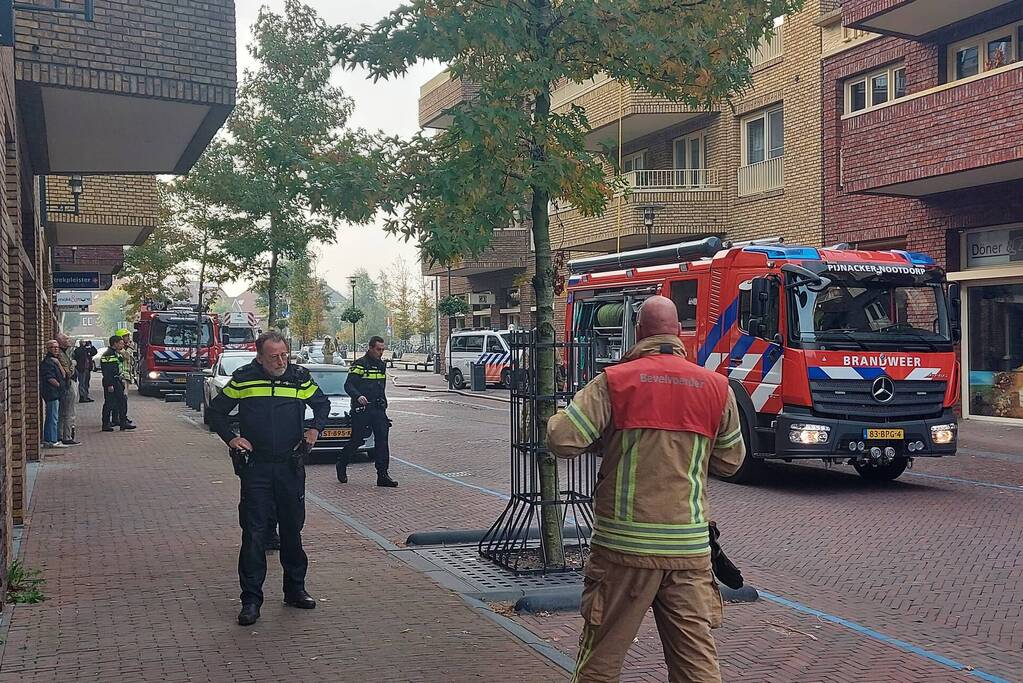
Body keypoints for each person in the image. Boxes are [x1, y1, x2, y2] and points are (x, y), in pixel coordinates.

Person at [547, 296, 746, 683]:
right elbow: (730, 461)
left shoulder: (616, 381)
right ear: (677, 333)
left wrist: (606, 435)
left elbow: (562, 440)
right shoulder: (717, 388)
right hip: (688, 551)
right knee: (696, 665)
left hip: (624, 550)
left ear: (638, 333)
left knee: (600, 660)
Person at [208, 331, 330, 626]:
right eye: (274, 356)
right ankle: (251, 600)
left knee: (292, 530)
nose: (281, 361)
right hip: (257, 467)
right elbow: (217, 412)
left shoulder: (299, 377)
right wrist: (231, 439)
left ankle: (295, 589)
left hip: (290, 465)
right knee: (254, 533)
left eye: (285, 354)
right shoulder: (244, 378)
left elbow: (322, 405)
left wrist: (315, 429)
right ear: (260, 356)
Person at [337, 336, 398, 487]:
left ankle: (382, 475)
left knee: (382, 441)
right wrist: (358, 397)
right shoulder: (360, 364)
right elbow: (348, 385)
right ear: (370, 348)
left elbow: (381, 387)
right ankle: (342, 463)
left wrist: (384, 403)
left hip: (377, 410)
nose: (381, 353)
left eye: (383, 350)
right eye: (378, 349)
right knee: (357, 440)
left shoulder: (381, 365)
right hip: (362, 410)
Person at [40, 340, 73, 449]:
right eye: (53, 347)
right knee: (53, 417)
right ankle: (52, 440)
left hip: (56, 392)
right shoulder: (48, 362)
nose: (55, 349)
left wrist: (58, 363)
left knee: (52, 416)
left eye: (57, 347)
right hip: (51, 393)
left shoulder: (55, 361)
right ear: (48, 349)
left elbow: (63, 374)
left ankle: (49, 439)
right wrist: (59, 385)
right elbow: (49, 378)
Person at [100, 336, 135, 432]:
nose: (122, 345)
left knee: (122, 401)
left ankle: (123, 422)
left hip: (117, 380)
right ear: (114, 343)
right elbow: (107, 371)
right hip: (111, 381)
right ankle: (105, 424)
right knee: (109, 403)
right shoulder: (108, 355)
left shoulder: (116, 353)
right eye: (120, 343)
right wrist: (109, 384)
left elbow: (123, 361)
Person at [55, 333, 80, 446]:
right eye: (66, 338)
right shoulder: (61, 354)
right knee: (68, 411)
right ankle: (67, 436)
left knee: (63, 412)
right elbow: (68, 372)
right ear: (60, 341)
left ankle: (61, 435)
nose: (68, 340)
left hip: (67, 384)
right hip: (68, 385)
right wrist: (73, 365)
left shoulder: (65, 352)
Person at [115, 328, 135, 428]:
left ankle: (122, 417)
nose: (128, 338)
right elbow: (127, 356)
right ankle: (121, 418)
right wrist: (130, 348)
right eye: (126, 336)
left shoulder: (124, 348)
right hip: (122, 375)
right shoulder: (121, 349)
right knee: (123, 398)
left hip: (127, 376)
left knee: (124, 398)